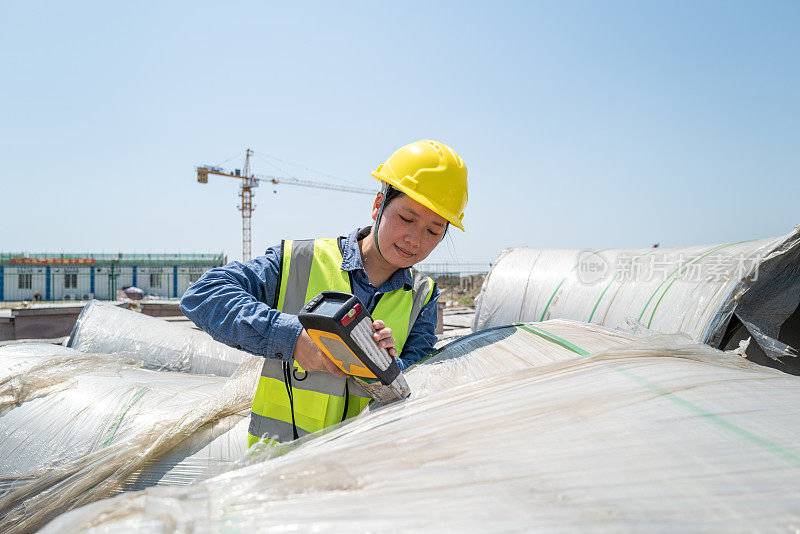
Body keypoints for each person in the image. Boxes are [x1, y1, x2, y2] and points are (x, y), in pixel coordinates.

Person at [180, 140, 468, 447]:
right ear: (378, 204)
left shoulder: (423, 297)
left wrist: (385, 366)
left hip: (361, 474)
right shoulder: (299, 260)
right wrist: (295, 341)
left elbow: (415, 389)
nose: (414, 239)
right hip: (275, 472)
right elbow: (203, 295)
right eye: (406, 219)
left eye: (434, 231)